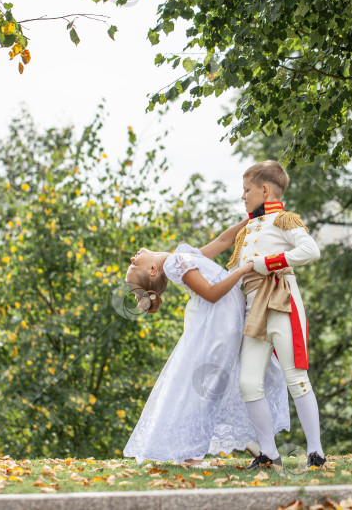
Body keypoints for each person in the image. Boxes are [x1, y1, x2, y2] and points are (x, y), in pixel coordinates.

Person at [122, 219, 290, 467]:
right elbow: (211, 294)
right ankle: (192, 453)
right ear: (152, 271)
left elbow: (223, 241)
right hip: (218, 324)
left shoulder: (180, 255)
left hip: (226, 318)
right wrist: (241, 270)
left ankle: (252, 440)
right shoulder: (175, 264)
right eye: (135, 263)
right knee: (212, 383)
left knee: (230, 378)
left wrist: (251, 220)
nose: (133, 257)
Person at [227, 160, 327, 471]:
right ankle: (268, 453)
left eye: (247, 190)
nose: (243, 196)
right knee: (247, 382)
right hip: (254, 308)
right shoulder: (247, 229)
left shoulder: (285, 220)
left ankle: (315, 452)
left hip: (283, 301)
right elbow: (234, 272)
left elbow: (310, 251)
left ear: (265, 190)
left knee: (296, 378)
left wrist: (268, 262)